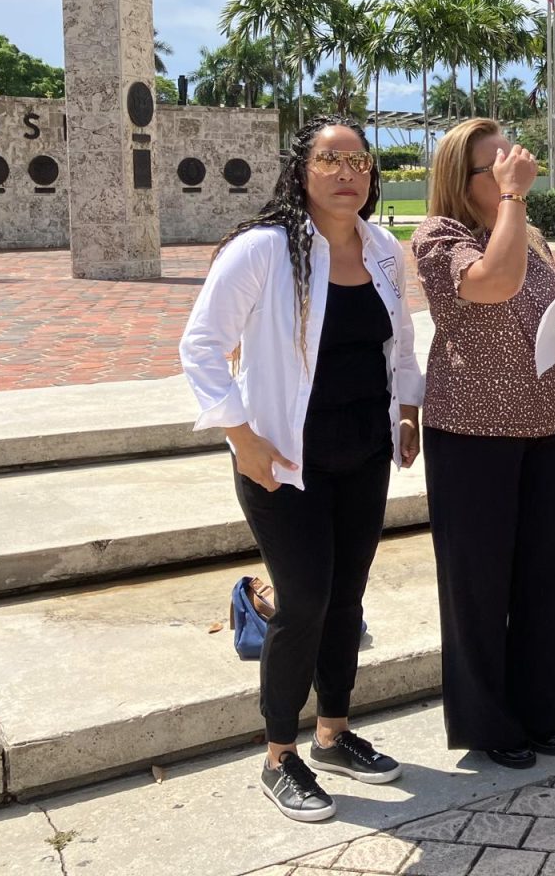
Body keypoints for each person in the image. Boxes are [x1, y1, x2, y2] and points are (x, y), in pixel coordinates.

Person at [179, 115, 423, 823]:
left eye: (359, 160)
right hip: (283, 460)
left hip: (364, 452)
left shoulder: (381, 249)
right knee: (305, 600)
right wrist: (241, 437)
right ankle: (279, 753)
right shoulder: (261, 252)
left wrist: (406, 413)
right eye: (330, 159)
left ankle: (334, 733)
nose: (348, 172)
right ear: (300, 171)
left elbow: (400, 341)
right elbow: (200, 346)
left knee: (347, 598)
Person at [412, 119, 555, 770]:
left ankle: (544, 709)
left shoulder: (530, 234)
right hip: (472, 432)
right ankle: (489, 722)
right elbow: (492, 283)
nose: (514, 166)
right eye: (497, 164)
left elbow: (536, 297)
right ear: (463, 180)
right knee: (478, 586)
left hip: (546, 421)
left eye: (512, 157)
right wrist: (516, 199)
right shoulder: (439, 236)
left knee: (546, 577)